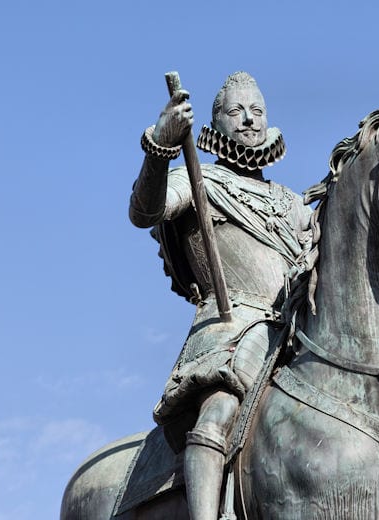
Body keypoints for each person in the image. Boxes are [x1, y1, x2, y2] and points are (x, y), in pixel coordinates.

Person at [129, 71, 310, 520]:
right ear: (217, 123)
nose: (249, 121)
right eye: (236, 112)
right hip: (232, 330)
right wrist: (160, 147)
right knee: (218, 413)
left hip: (296, 331)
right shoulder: (198, 180)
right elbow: (143, 211)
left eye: (257, 111)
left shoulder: (293, 204)